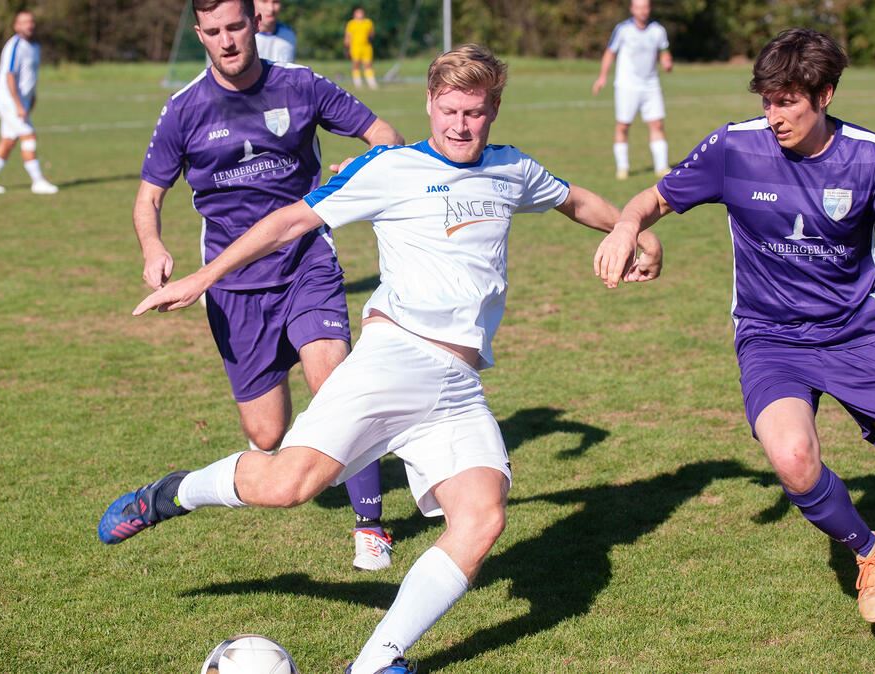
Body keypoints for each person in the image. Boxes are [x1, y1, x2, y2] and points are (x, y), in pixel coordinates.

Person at [99, 44, 663, 672]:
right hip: (395, 360)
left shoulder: (511, 169)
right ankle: (172, 494)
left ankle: (373, 664)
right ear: (429, 104)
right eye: (448, 110)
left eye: (473, 112)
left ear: (493, 109)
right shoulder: (389, 168)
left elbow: (575, 200)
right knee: (289, 483)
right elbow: (289, 223)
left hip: (459, 381)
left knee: (481, 519)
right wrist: (201, 278)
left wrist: (631, 231)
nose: (459, 124)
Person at [614, 28, 875, 633]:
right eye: (767, 99)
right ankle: (870, 551)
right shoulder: (733, 149)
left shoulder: (872, 155)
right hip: (771, 338)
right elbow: (651, 200)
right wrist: (624, 228)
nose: (774, 115)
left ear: (825, 95)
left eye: (787, 101)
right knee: (793, 460)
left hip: (859, 335)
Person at [124, 0, 406, 571]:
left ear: (255, 23)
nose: (227, 41)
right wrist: (153, 247)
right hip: (233, 287)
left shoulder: (301, 86)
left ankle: (371, 525)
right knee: (267, 431)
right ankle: (309, 457)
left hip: (307, 261)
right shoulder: (183, 111)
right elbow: (149, 197)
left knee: (335, 378)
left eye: (235, 27)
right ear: (199, 35)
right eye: (213, 32)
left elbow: (386, 135)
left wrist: (358, 173)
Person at [0, 9, 58, 195]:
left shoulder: (35, 46)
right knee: (29, 137)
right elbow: (10, 76)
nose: (29, 25)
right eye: (24, 22)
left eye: (31, 22)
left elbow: (31, 76)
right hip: (9, 101)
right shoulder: (14, 46)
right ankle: (38, 182)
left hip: (22, 101)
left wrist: (33, 97)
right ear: (16, 26)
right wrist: (18, 105)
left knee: (8, 141)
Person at [591, 0, 672, 180]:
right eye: (638, 7)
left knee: (657, 124)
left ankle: (661, 166)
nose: (642, 11)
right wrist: (602, 76)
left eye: (645, 7)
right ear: (632, 9)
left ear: (649, 8)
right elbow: (610, 53)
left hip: (651, 84)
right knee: (623, 126)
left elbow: (664, 51)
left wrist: (667, 61)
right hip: (627, 85)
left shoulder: (658, 30)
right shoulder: (623, 30)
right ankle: (623, 167)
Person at [344, 6, 378, 90]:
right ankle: (358, 83)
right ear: (354, 14)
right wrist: (346, 48)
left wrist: (371, 37)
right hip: (355, 47)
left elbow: (372, 33)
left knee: (368, 64)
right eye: (358, 13)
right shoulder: (351, 23)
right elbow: (348, 36)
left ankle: (371, 83)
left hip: (366, 47)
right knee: (356, 64)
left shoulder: (368, 22)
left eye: (361, 12)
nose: (360, 14)